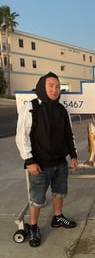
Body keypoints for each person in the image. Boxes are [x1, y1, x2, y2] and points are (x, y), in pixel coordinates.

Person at [16, 72, 78, 247]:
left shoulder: (61, 109)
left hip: (60, 162)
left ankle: (58, 217)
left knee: (59, 192)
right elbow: (22, 137)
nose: (54, 89)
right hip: (40, 165)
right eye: (51, 86)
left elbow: (68, 134)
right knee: (36, 198)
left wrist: (73, 155)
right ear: (43, 86)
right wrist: (29, 160)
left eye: (57, 87)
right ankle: (34, 227)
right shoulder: (31, 106)